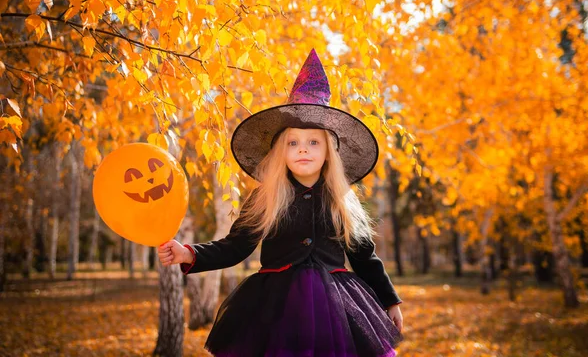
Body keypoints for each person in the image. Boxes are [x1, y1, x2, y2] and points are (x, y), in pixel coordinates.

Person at [158, 49, 404, 356]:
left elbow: (365, 257)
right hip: (275, 305)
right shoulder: (266, 196)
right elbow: (235, 246)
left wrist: (389, 300)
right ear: (281, 151)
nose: (303, 150)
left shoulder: (342, 200)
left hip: (337, 306)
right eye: (293, 143)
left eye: (313, 142)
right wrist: (189, 253)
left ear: (328, 150)